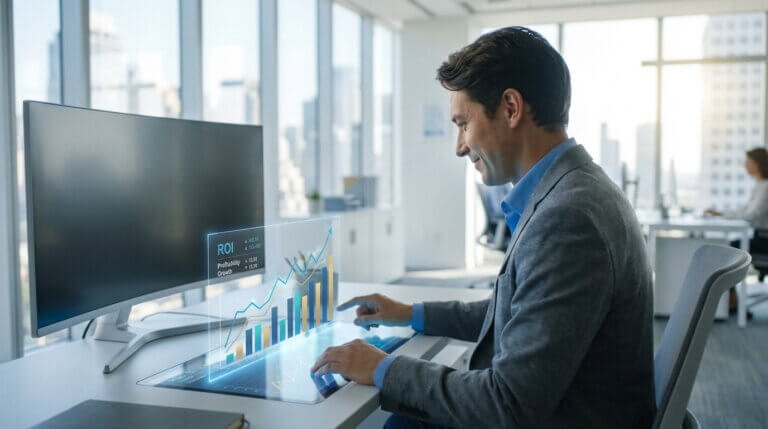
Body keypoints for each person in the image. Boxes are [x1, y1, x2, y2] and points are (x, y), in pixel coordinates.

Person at [311, 27, 655, 428]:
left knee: (395, 417)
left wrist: (384, 367)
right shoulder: (575, 189)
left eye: (463, 123)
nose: (459, 145)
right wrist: (410, 313)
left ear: (511, 108)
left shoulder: (568, 219)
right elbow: (517, 312)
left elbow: (507, 406)